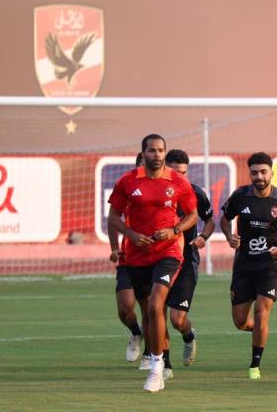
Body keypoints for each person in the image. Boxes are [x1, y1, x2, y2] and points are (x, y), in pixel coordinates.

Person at [107, 134, 197, 393]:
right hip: (134, 256)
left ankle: (157, 367)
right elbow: (113, 217)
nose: (156, 154)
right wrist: (131, 235)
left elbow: (192, 215)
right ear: (143, 153)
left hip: (167, 253)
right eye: (151, 150)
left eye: (160, 150)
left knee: (157, 306)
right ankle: (139, 337)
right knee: (134, 310)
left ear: (164, 153)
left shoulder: (178, 182)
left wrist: (175, 230)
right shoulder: (128, 181)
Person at [220, 152, 277, 380]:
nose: (259, 176)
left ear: (271, 173)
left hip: (270, 266)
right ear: (250, 174)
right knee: (240, 321)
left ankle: (254, 365)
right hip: (244, 265)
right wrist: (229, 237)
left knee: (262, 313)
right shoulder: (240, 196)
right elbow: (224, 218)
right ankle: (259, 332)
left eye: (263, 172)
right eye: (254, 172)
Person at [164, 149, 215, 370]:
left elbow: (210, 220)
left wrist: (203, 237)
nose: (181, 177)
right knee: (155, 312)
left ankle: (188, 335)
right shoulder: (157, 192)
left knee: (177, 319)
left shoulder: (195, 193)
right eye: (176, 172)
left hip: (186, 262)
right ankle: (162, 363)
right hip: (159, 259)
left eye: (184, 172)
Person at [108, 152, 148, 366]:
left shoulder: (168, 186)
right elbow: (113, 218)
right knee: (125, 306)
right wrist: (115, 248)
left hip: (158, 257)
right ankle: (135, 332)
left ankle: (153, 355)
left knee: (153, 308)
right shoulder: (128, 186)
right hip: (130, 257)